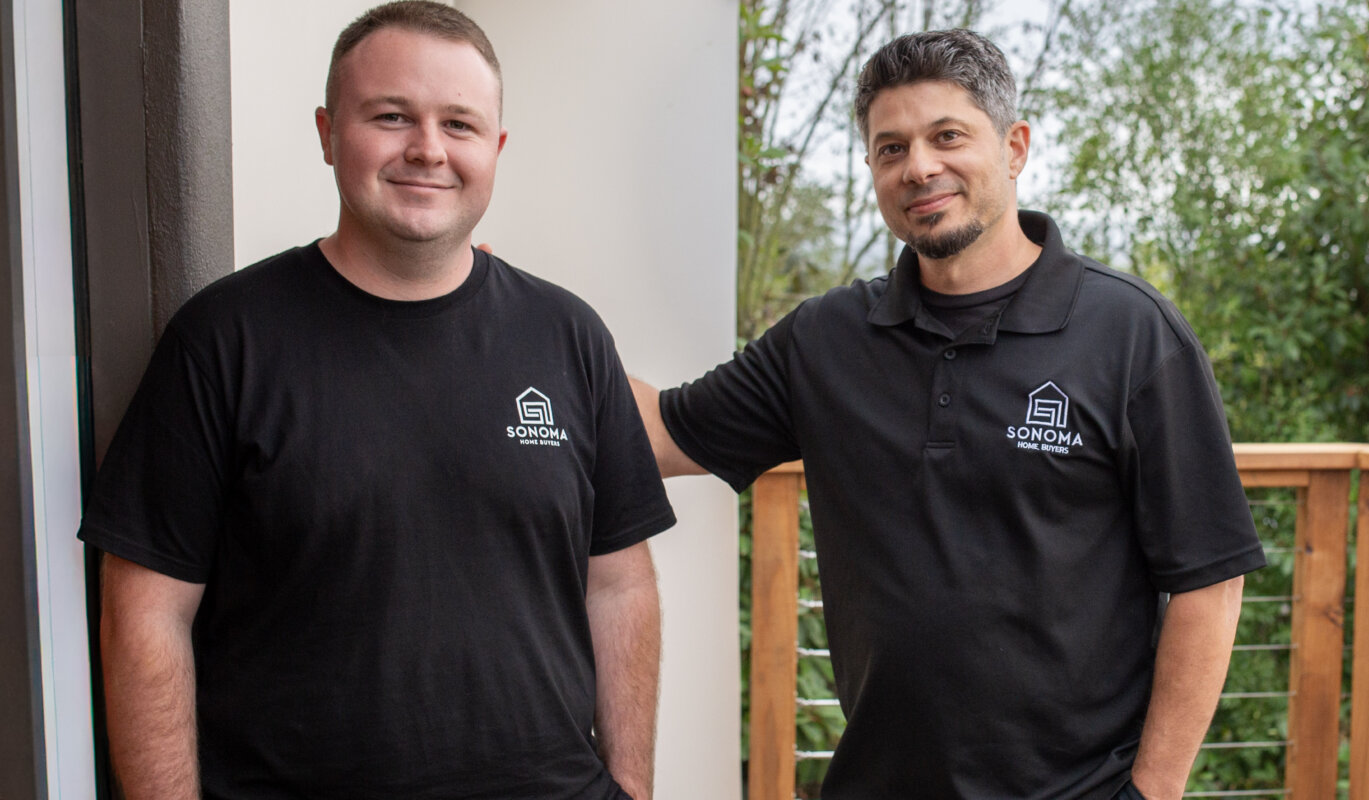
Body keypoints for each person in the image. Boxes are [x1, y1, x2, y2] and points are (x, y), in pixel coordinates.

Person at [635, 29, 1263, 800]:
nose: (919, 166)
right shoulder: (828, 340)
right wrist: (513, 321)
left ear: (1014, 146)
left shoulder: (1130, 334)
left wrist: (1152, 792)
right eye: (890, 148)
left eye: (947, 136)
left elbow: (1210, 579)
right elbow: (658, 432)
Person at [77, 3, 674, 798]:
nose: (428, 149)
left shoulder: (569, 337)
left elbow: (620, 584)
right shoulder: (224, 341)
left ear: (494, 150)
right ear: (328, 133)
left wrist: (631, 789)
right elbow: (146, 610)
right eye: (391, 116)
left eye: (459, 124)